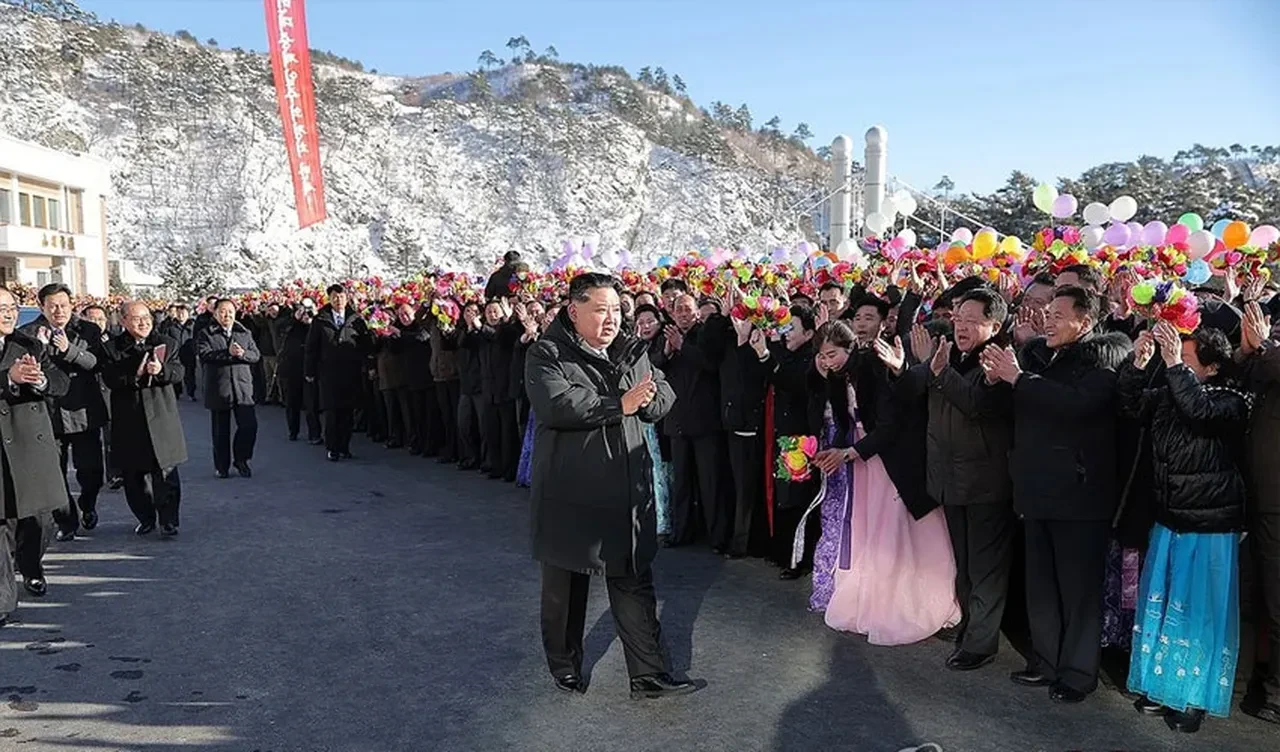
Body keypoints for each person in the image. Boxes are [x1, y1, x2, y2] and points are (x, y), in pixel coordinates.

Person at [525, 272, 698, 700]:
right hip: (571, 490)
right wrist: (617, 404)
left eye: (616, 310)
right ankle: (565, 664)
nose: (611, 319)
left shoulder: (630, 349)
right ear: (573, 311)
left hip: (626, 488)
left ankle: (648, 674)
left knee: (634, 582)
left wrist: (648, 398)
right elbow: (557, 404)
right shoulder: (547, 352)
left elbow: (660, 396)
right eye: (600, 310)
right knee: (564, 586)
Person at [982, 285, 1132, 703]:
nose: (1047, 318)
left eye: (1059, 313)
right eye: (1048, 311)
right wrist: (999, 381)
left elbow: (1077, 405)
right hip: (1035, 489)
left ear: (1084, 322)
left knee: (1078, 591)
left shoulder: (1104, 360)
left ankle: (1077, 673)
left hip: (1080, 496)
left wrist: (1021, 379)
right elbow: (1019, 407)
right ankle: (1045, 662)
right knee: (1042, 586)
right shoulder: (1040, 359)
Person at [1121, 324, 1249, 733]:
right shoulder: (1169, 393)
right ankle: (1161, 685)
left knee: (1199, 613)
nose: (1175, 363)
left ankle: (1194, 696)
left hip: (1211, 522)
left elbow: (1200, 413)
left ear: (1211, 368)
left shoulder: (1231, 400)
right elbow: (1128, 407)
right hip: (1170, 517)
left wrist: (1173, 365)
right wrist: (1139, 364)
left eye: (1187, 359)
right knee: (1164, 604)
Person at [812, 320, 961, 645]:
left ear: (850, 347)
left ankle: (919, 603)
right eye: (822, 356)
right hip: (863, 462)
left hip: (891, 459)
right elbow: (843, 422)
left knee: (900, 529)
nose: (827, 361)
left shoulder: (871, 368)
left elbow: (889, 426)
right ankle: (875, 599)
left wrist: (849, 453)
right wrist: (829, 452)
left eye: (832, 353)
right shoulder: (836, 378)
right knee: (871, 533)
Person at [907, 288, 1016, 669]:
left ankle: (981, 643)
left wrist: (940, 371)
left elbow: (977, 404)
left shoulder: (999, 359)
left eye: (972, 320)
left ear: (995, 325)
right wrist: (925, 367)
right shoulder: (949, 354)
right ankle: (971, 625)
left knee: (986, 567)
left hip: (986, 481)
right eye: (959, 317)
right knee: (965, 563)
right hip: (951, 477)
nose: (962, 326)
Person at [19, 283, 108, 540]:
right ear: (42, 307)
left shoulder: (88, 330)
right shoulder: (28, 334)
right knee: (54, 475)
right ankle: (66, 522)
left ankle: (88, 505)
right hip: (49, 413)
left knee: (91, 472)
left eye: (63, 305)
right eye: (52, 306)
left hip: (83, 410)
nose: (59, 310)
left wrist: (70, 350)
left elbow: (95, 363)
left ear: (72, 306)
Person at [1, 285, 70, 611]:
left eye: (11, 306)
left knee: (40, 518)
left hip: (31, 442)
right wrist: (8, 379)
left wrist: (40, 380)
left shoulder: (29, 343)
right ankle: (3, 601)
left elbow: (61, 384)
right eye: (0, 308)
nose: (7, 313)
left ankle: (30, 567)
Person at [99, 302, 188, 536]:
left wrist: (161, 371)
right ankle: (145, 517)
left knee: (166, 472)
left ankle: (168, 520)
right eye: (137, 318)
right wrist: (135, 373)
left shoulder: (166, 343)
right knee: (134, 475)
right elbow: (110, 378)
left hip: (161, 415)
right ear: (124, 321)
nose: (143, 322)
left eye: (146, 317)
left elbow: (179, 372)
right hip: (130, 418)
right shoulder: (112, 348)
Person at [654, 293, 728, 552]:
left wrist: (682, 345)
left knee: (710, 483)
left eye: (688, 309)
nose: (683, 314)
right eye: (678, 310)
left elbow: (710, 364)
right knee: (682, 483)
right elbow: (654, 368)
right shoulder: (665, 338)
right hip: (676, 421)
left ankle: (717, 537)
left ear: (696, 312)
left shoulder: (705, 334)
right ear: (672, 314)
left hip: (705, 422)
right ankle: (681, 532)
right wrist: (667, 350)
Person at [700, 293, 772, 559]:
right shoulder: (725, 341)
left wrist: (746, 340)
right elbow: (707, 343)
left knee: (747, 488)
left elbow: (755, 379)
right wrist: (724, 313)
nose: (739, 321)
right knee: (732, 486)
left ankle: (743, 543)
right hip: (729, 423)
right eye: (736, 316)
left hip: (751, 425)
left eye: (744, 316)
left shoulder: (758, 343)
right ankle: (729, 536)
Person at [1238, 300, 1280, 725]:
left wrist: (1263, 345)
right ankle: (1239, 678)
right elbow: (1243, 371)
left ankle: (1276, 693)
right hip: (1252, 492)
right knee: (1247, 593)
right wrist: (1250, 349)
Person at [768, 304, 821, 579]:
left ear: (810, 332)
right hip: (786, 437)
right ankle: (786, 554)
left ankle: (798, 560)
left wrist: (769, 354)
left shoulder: (808, 360)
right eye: (784, 326)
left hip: (800, 439)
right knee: (786, 497)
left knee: (798, 500)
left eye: (792, 327)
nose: (785, 333)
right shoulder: (788, 355)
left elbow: (787, 381)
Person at [196, 298, 261, 478]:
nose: (227, 315)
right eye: (223, 311)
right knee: (220, 431)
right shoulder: (206, 333)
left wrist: (243, 354)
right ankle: (221, 466)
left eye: (230, 311)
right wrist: (228, 354)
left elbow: (255, 355)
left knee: (249, 426)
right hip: (219, 387)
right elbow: (205, 354)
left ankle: (241, 459)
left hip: (242, 387)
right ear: (215, 313)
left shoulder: (244, 332)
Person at [306, 285, 370, 462]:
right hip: (329, 373)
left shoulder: (356, 319)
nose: (338, 300)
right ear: (329, 299)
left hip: (351, 371)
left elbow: (365, 344)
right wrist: (310, 370)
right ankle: (332, 447)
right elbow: (312, 348)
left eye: (341, 296)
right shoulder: (320, 320)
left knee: (348, 412)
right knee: (332, 411)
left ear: (347, 298)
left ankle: (344, 446)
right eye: (334, 297)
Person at [631, 304, 673, 535]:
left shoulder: (664, 342)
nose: (645, 326)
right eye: (641, 321)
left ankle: (664, 520)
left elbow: (651, 369)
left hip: (661, 415)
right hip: (641, 419)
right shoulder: (633, 345)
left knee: (662, 470)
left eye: (650, 321)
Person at [278, 301, 322, 443]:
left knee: (311, 404)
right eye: (303, 312)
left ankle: (314, 434)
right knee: (292, 403)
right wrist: (295, 318)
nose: (305, 315)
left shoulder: (315, 325)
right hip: (291, 369)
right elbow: (279, 328)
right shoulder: (289, 324)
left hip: (310, 369)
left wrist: (314, 319)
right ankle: (293, 430)